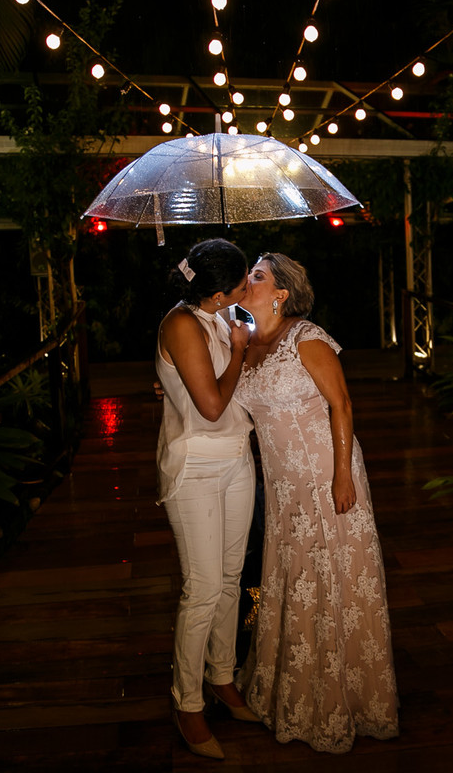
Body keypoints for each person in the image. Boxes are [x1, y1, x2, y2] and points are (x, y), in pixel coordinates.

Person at [233, 253, 399, 753]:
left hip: (326, 475)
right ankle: (294, 688)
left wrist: (343, 475)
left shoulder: (307, 338)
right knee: (294, 578)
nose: (247, 283)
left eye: (256, 277)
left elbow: (341, 404)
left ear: (281, 292)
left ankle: (347, 697)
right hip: (282, 488)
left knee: (332, 580)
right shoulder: (244, 343)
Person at [156, 238, 262, 760]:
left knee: (229, 579)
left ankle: (222, 676)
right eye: (242, 283)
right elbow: (213, 406)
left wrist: (241, 345)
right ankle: (187, 701)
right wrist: (240, 350)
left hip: (236, 459)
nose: (248, 290)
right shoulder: (181, 324)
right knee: (200, 590)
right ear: (217, 293)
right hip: (196, 465)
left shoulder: (221, 315)